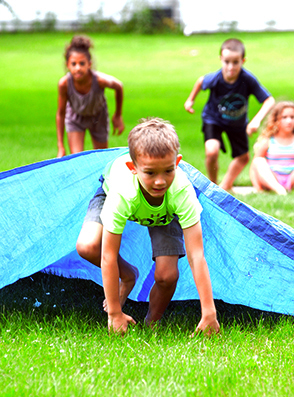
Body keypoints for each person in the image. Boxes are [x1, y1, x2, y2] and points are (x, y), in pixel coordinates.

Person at [76, 117, 220, 336]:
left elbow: (197, 255)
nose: (160, 181)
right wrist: (114, 313)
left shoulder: (180, 191)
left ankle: (152, 321)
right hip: (112, 194)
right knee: (88, 246)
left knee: (167, 276)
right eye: (150, 172)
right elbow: (107, 256)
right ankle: (128, 275)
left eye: (168, 171)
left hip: (164, 213)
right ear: (133, 168)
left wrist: (209, 312)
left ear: (177, 163)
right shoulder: (122, 193)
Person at [184, 38, 275, 191]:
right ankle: (212, 188)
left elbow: (269, 100)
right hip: (213, 118)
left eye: (235, 62)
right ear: (221, 59)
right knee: (211, 150)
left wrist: (256, 121)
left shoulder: (247, 79)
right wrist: (190, 100)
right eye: (226, 62)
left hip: (237, 122)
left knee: (244, 157)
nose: (230, 67)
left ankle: (225, 186)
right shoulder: (216, 78)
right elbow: (200, 81)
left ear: (243, 61)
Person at [56, 35, 124, 157]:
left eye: (82, 63)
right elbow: (60, 113)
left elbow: (119, 86)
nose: (78, 68)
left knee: (100, 158)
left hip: (98, 117)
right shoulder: (64, 84)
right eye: (74, 64)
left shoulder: (99, 80)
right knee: (76, 159)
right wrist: (61, 146)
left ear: (89, 64)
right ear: (67, 65)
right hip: (75, 118)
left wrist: (118, 115)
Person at [249, 101, 294, 194]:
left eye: (292, 117)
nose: (289, 121)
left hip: (291, 178)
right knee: (258, 160)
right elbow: (254, 166)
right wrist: (258, 188)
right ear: (276, 119)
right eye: (284, 117)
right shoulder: (269, 140)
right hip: (272, 178)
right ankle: (279, 190)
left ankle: (286, 188)